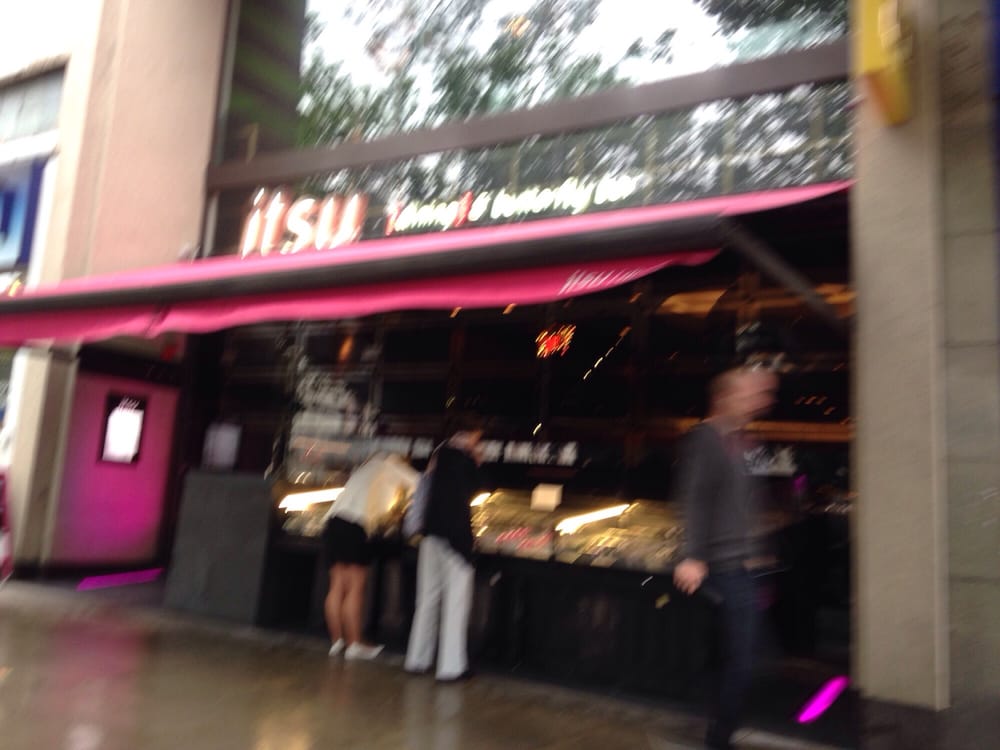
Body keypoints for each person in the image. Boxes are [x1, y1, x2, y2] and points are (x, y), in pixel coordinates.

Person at [672, 367, 778, 750]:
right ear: (724, 398)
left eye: (761, 394)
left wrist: (756, 547)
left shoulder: (747, 441)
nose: (758, 401)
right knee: (742, 658)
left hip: (742, 565)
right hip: (721, 566)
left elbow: (747, 501)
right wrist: (692, 555)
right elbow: (694, 497)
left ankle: (717, 726)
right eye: (749, 394)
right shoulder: (706, 439)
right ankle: (718, 739)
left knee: (738, 654)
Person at [404, 422, 484, 681]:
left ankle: (417, 659)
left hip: (430, 534)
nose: (478, 443)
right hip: (455, 540)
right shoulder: (464, 459)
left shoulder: (437, 455)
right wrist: (477, 460)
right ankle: (450, 667)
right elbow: (477, 488)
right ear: (468, 435)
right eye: (477, 437)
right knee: (455, 603)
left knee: (427, 599)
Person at [322, 452, 419, 661]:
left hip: (333, 524)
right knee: (355, 587)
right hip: (355, 526)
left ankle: (337, 642)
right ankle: (354, 644)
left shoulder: (366, 468)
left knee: (337, 585)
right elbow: (420, 485)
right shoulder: (394, 467)